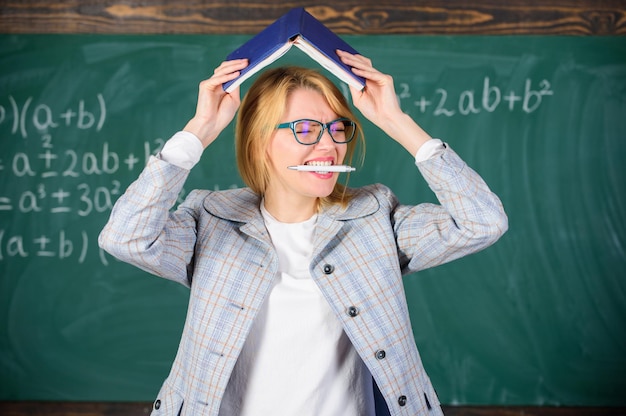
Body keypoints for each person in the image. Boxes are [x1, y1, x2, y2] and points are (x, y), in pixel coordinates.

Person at [99, 51, 508, 416]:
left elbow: (482, 222)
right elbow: (126, 238)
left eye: (336, 128)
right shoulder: (211, 219)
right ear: (261, 143)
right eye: (306, 130)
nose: (329, 146)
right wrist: (199, 130)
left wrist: (396, 122)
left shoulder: (375, 218)